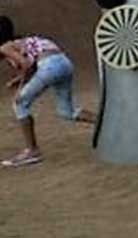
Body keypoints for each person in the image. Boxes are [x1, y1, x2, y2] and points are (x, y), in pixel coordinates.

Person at [0, 15, 95, 167]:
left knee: (20, 103)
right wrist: (18, 80)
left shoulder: (5, 47)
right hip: (64, 63)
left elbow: (27, 65)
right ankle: (103, 124)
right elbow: (33, 64)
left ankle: (32, 151)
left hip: (49, 66)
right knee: (66, 111)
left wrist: (20, 88)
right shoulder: (23, 41)